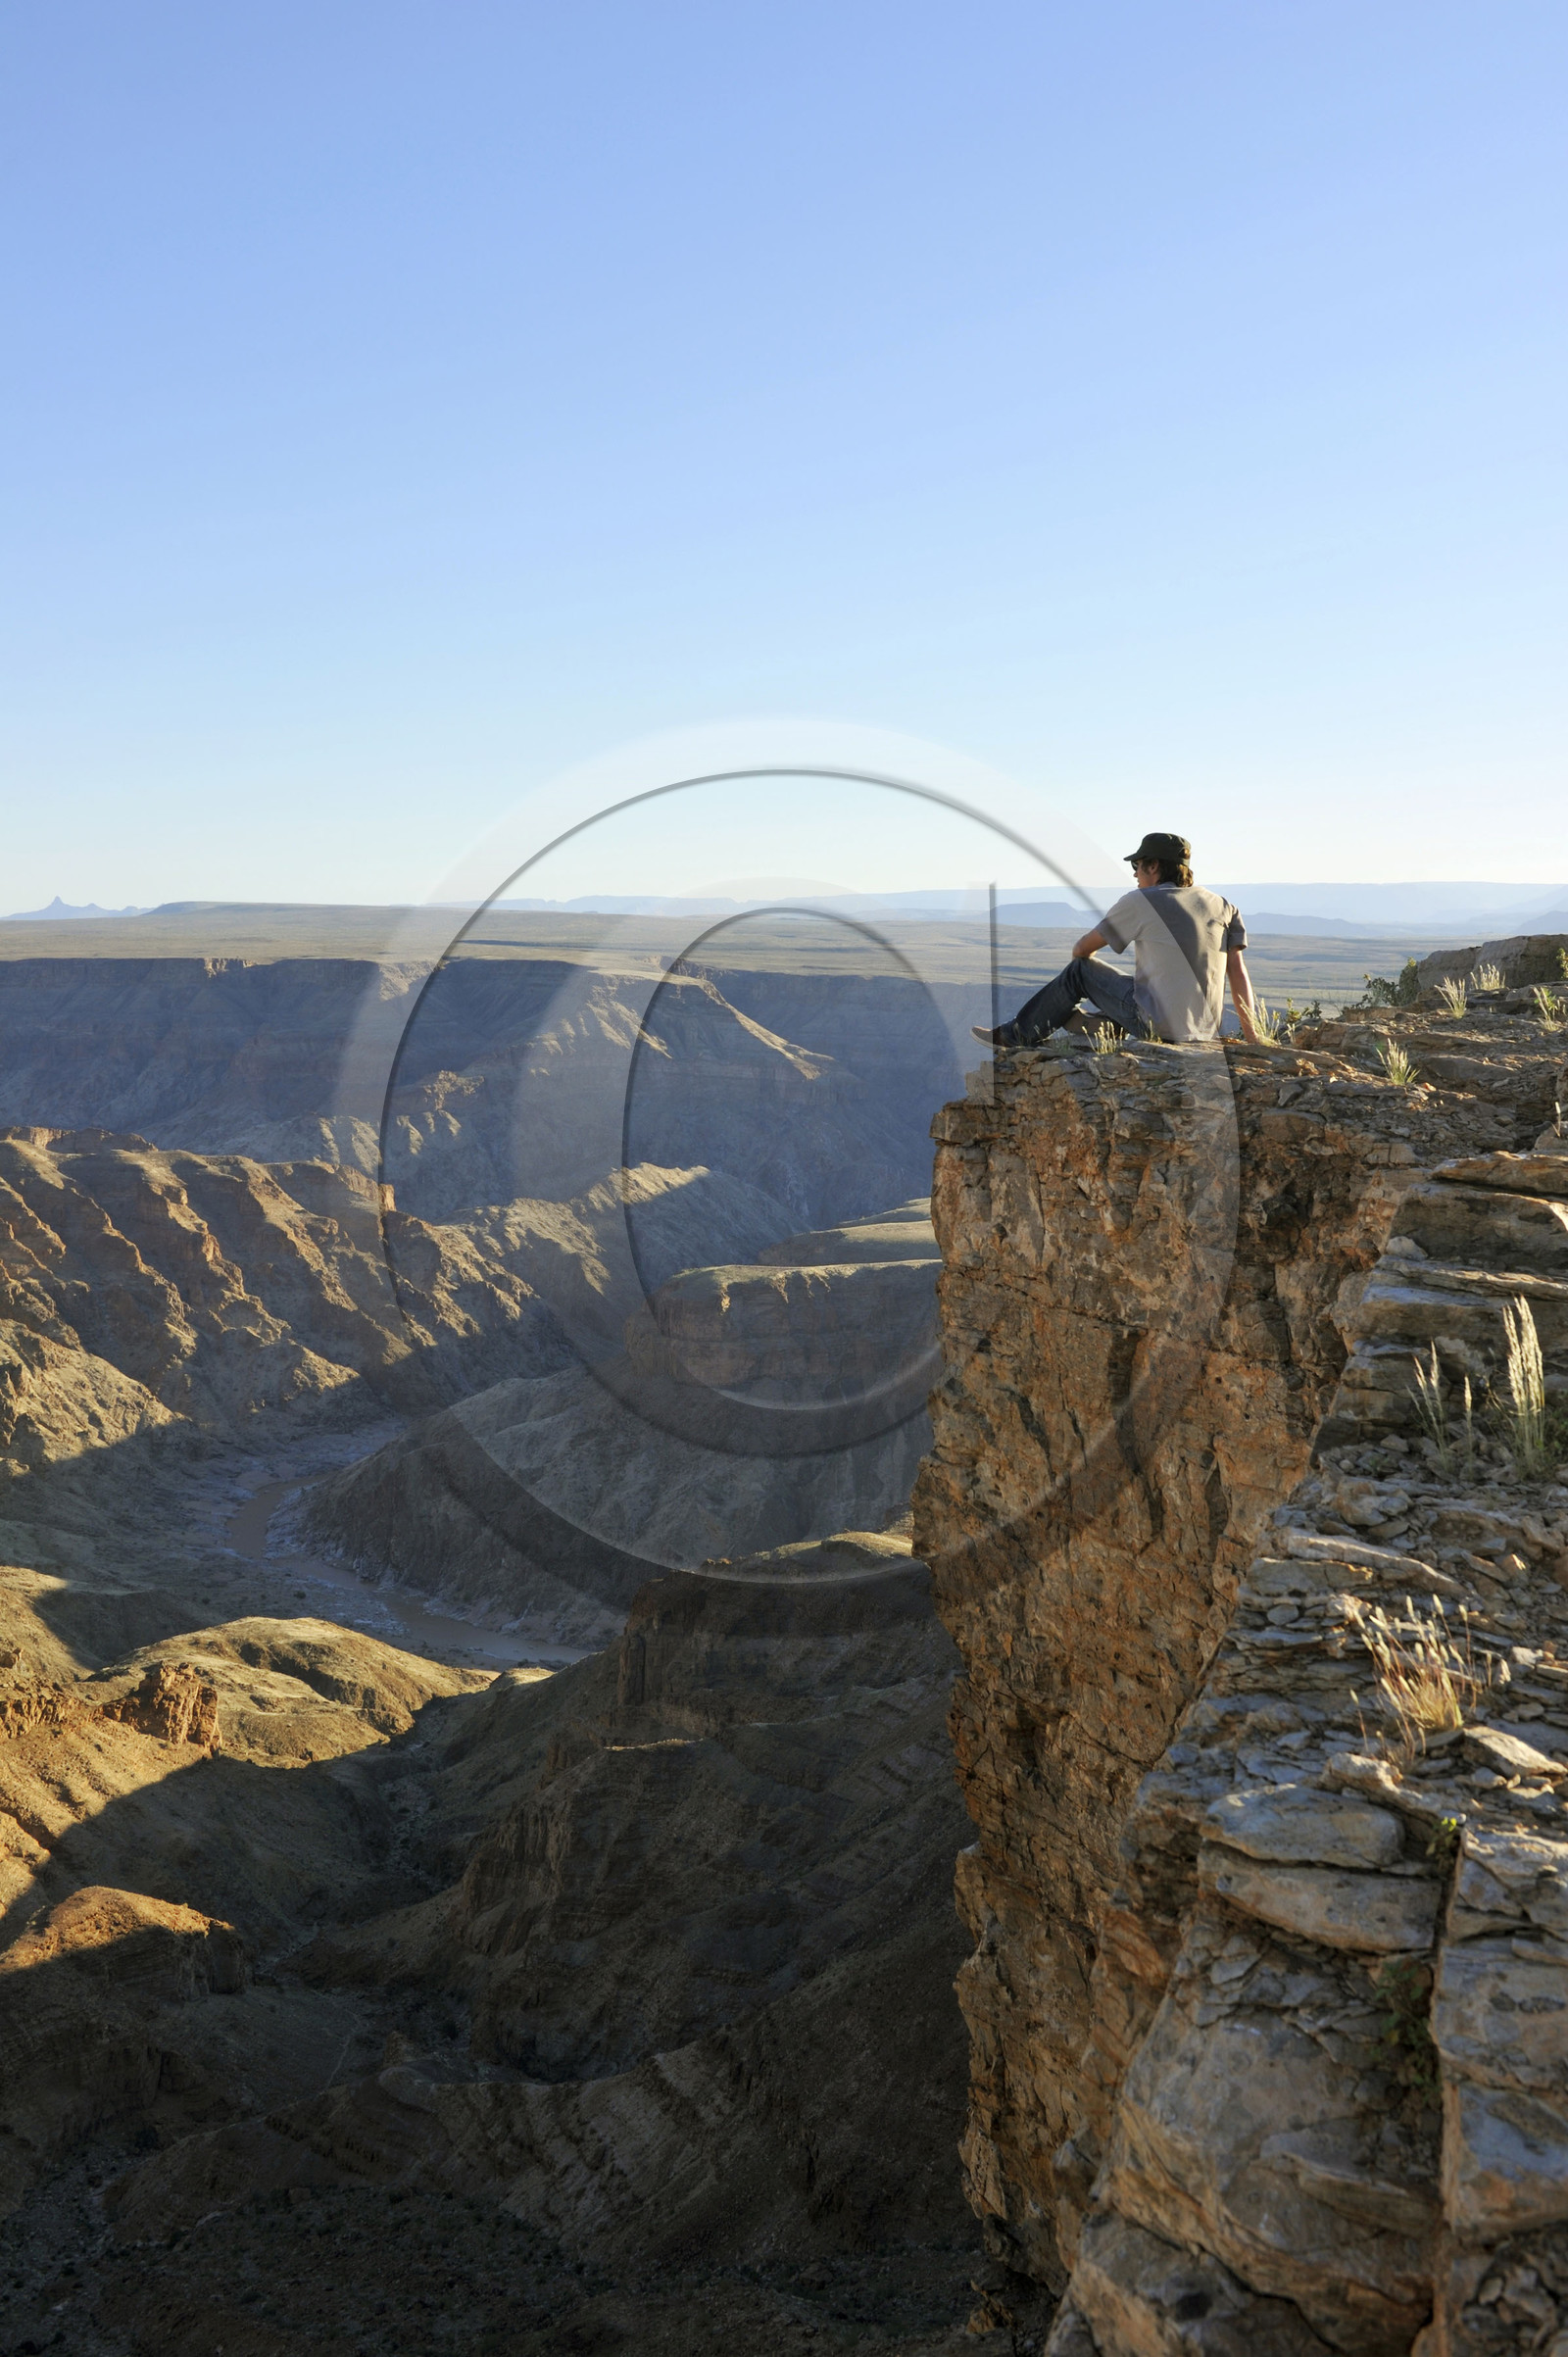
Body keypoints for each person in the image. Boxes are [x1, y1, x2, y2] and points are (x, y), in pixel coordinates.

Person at [973, 832, 1259, 1048]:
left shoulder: (1141, 901)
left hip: (1157, 1028)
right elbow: (1238, 972)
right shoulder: (1223, 906)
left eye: (1137, 864)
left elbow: (1082, 950)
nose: (1134, 873)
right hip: (1207, 1032)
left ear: (1154, 866)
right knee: (1145, 987)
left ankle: (1014, 1036)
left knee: (1080, 972)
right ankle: (1104, 1023)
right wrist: (1252, 1038)